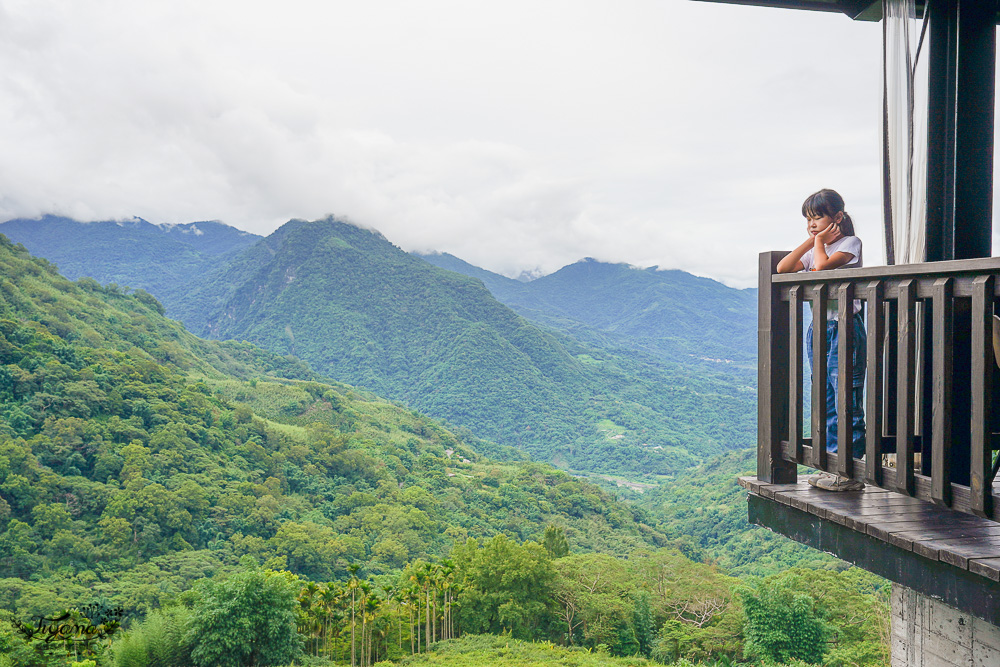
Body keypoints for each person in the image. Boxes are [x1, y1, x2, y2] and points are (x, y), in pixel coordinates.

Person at [776, 188, 866, 492]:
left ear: (837, 217)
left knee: (846, 399)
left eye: (818, 217)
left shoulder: (850, 243)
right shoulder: (817, 245)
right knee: (827, 398)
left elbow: (821, 267)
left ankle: (850, 471)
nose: (812, 223)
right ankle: (831, 466)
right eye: (808, 219)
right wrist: (812, 241)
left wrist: (817, 243)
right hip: (820, 329)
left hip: (845, 328)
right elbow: (783, 268)